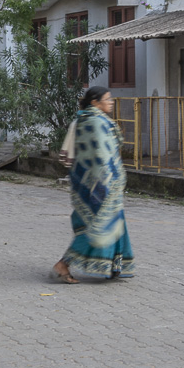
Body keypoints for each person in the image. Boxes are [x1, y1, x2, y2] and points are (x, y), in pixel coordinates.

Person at [53, 86, 134, 282]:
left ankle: (114, 266)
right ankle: (63, 264)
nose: (111, 102)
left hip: (87, 182)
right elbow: (101, 157)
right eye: (107, 99)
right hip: (99, 185)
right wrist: (108, 182)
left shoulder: (86, 120)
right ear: (95, 102)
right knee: (97, 227)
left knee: (114, 223)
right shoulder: (96, 123)